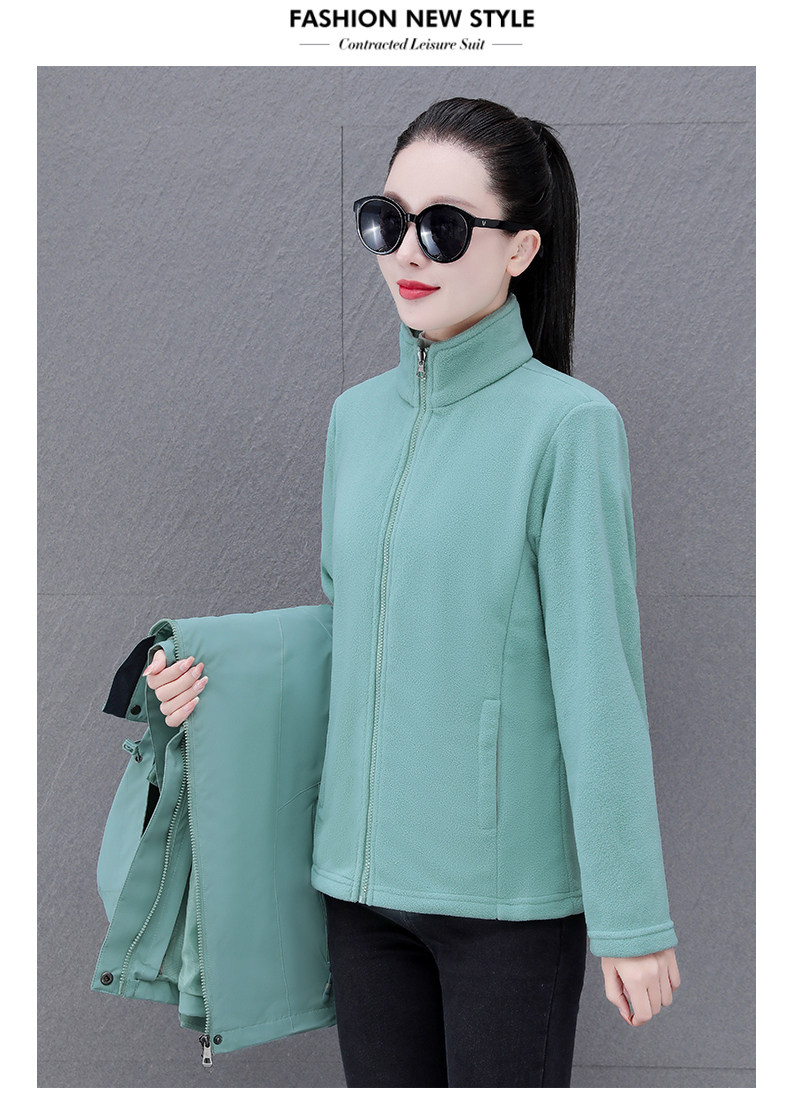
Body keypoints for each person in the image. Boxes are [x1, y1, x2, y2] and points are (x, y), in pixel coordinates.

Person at [142, 97, 681, 1088]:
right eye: (387, 221)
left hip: (506, 907)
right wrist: (207, 673)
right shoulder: (356, 420)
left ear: (520, 250)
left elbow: (598, 678)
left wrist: (632, 917)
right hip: (357, 893)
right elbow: (356, 633)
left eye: (443, 227)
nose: (405, 253)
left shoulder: (567, 427)